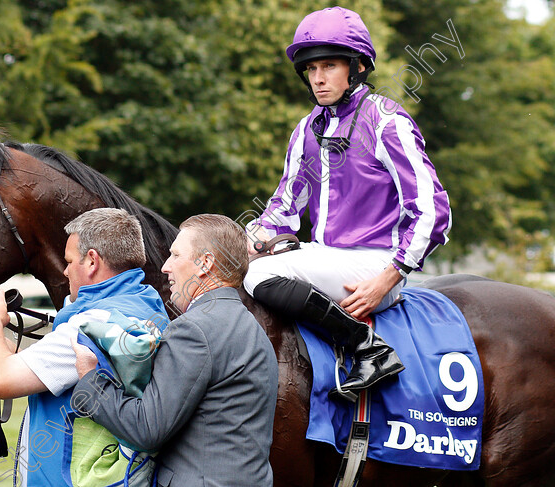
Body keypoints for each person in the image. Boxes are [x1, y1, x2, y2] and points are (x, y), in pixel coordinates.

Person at [243, 6, 451, 401]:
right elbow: (283, 208)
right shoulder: (307, 129)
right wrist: (237, 245)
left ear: (357, 67)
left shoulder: (387, 121)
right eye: (311, 69)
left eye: (329, 66)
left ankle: (367, 348)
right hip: (325, 258)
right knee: (243, 267)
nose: (318, 78)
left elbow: (434, 212)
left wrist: (389, 277)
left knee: (259, 277)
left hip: (376, 267)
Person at [71, 214, 278, 487]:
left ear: (205, 263)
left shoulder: (193, 330)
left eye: (175, 255)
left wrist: (91, 380)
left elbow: (145, 429)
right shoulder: (253, 328)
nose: (166, 267)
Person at [0, 207, 168, 486]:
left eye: (69, 261)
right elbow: (47, 369)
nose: (64, 271)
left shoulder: (88, 325)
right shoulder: (146, 308)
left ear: (91, 262)